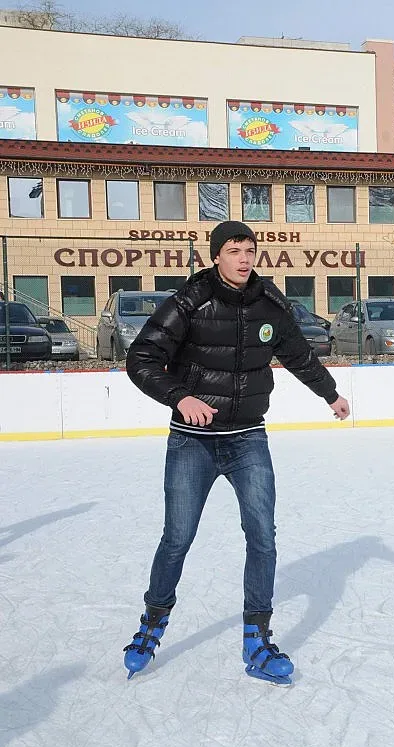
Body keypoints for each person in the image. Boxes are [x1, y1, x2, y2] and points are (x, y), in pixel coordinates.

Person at [122, 220, 350, 685]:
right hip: (193, 441)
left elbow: (299, 354)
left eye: (249, 250)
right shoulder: (189, 301)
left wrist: (330, 394)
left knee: (262, 536)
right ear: (216, 256)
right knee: (178, 537)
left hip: (248, 438)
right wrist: (179, 397)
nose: (244, 259)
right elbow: (140, 358)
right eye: (234, 250)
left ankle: (257, 639)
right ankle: (151, 624)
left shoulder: (270, 303)